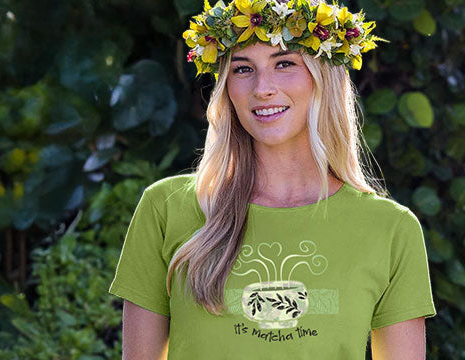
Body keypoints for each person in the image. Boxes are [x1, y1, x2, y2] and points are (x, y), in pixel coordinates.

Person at [110, 1, 432, 359]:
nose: (263, 88)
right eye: (243, 68)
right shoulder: (167, 208)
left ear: (323, 77)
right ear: (226, 88)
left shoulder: (390, 229)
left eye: (285, 63)